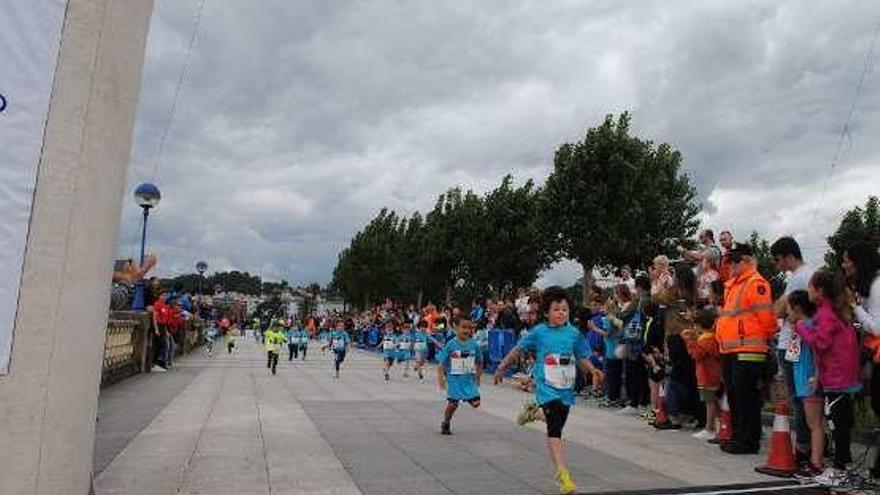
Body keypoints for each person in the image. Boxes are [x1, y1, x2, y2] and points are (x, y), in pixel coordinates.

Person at [494, 286, 601, 495]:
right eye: (556, 309)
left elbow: (581, 356)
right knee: (555, 430)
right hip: (546, 388)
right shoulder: (539, 332)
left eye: (564, 309)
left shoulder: (573, 334)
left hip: (565, 390)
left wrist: (593, 370)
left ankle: (533, 413)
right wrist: (501, 366)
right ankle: (563, 474)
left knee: (557, 420)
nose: (561, 313)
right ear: (546, 312)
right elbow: (518, 349)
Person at [795, 270, 861, 487]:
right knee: (841, 424)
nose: (808, 291)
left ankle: (840, 469)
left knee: (837, 425)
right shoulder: (838, 311)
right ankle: (843, 466)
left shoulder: (825, 313)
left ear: (820, 290)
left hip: (837, 378)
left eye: (811, 287)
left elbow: (821, 343)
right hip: (843, 376)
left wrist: (802, 327)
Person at [716, 242, 777, 454]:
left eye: (734, 261)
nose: (730, 265)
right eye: (728, 261)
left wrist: (766, 341)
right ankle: (738, 436)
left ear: (746, 261)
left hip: (749, 349)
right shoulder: (733, 285)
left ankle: (748, 440)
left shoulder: (755, 283)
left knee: (746, 396)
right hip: (731, 349)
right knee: (734, 394)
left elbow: (766, 318)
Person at [770, 236, 815, 464]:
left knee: (800, 398)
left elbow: (778, 310)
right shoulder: (803, 276)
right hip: (793, 342)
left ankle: (803, 448)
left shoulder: (800, 278)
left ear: (789, 257)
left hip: (794, 344)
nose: (777, 265)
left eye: (778, 260)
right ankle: (810, 445)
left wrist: (781, 306)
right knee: (803, 398)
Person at [841, 241, 880, 478]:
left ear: (859, 262)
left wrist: (854, 306)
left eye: (847, 260)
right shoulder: (868, 286)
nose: (843, 264)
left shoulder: (876, 285)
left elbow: (876, 327)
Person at [786, 290, 824, 478]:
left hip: (809, 380)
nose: (787, 314)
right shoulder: (801, 326)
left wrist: (816, 376)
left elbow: (819, 351)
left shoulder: (806, 325)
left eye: (789, 309)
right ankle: (813, 459)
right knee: (811, 422)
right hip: (803, 380)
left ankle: (816, 462)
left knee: (814, 423)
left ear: (798, 308)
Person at [436, 315, 482, 435]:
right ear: (456, 327)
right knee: (453, 404)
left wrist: (478, 377)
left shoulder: (474, 345)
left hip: (468, 380)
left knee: (476, 403)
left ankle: (467, 397)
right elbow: (441, 363)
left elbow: (479, 362)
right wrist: (441, 378)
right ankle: (446, 422)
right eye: (463, 327)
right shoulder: (451, 344)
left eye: (469, 328)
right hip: (454, 380)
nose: (466, 330)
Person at [683, 309, 721, 440]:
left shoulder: (706, 340)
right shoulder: (711, 337)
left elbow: (697, 355)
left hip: (707, 376)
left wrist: (689, 341)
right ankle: (717, 426)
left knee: (710, 402)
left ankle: (709, 428)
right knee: (713, 402)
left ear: (698, 326)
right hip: (710, 375)